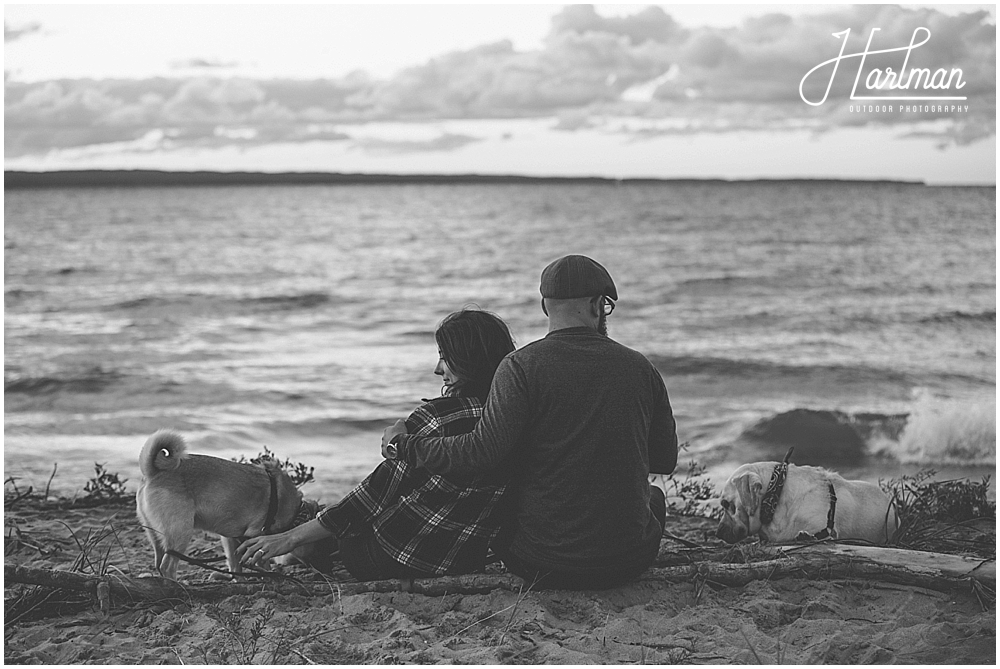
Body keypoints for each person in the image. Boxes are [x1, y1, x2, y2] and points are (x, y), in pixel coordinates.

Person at [382, 255, 678, 589]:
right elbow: (665, 460)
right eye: (606, 306)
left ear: (544, 306)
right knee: (654, 497)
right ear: (597, 305)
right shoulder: (641, 368)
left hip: (541, 563)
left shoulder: (519, 367)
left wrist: (405, 445)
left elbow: (479, 454)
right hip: (628, 563)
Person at [238, 309, 516, 580]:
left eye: (446, 358)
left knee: (338, 523)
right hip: (463, 560)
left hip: (389, 557)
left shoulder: (436, 419)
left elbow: (372, 497)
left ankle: (301, 546)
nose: (437, 369)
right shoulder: (515, 418)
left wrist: (289, 538)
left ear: (469, 360)